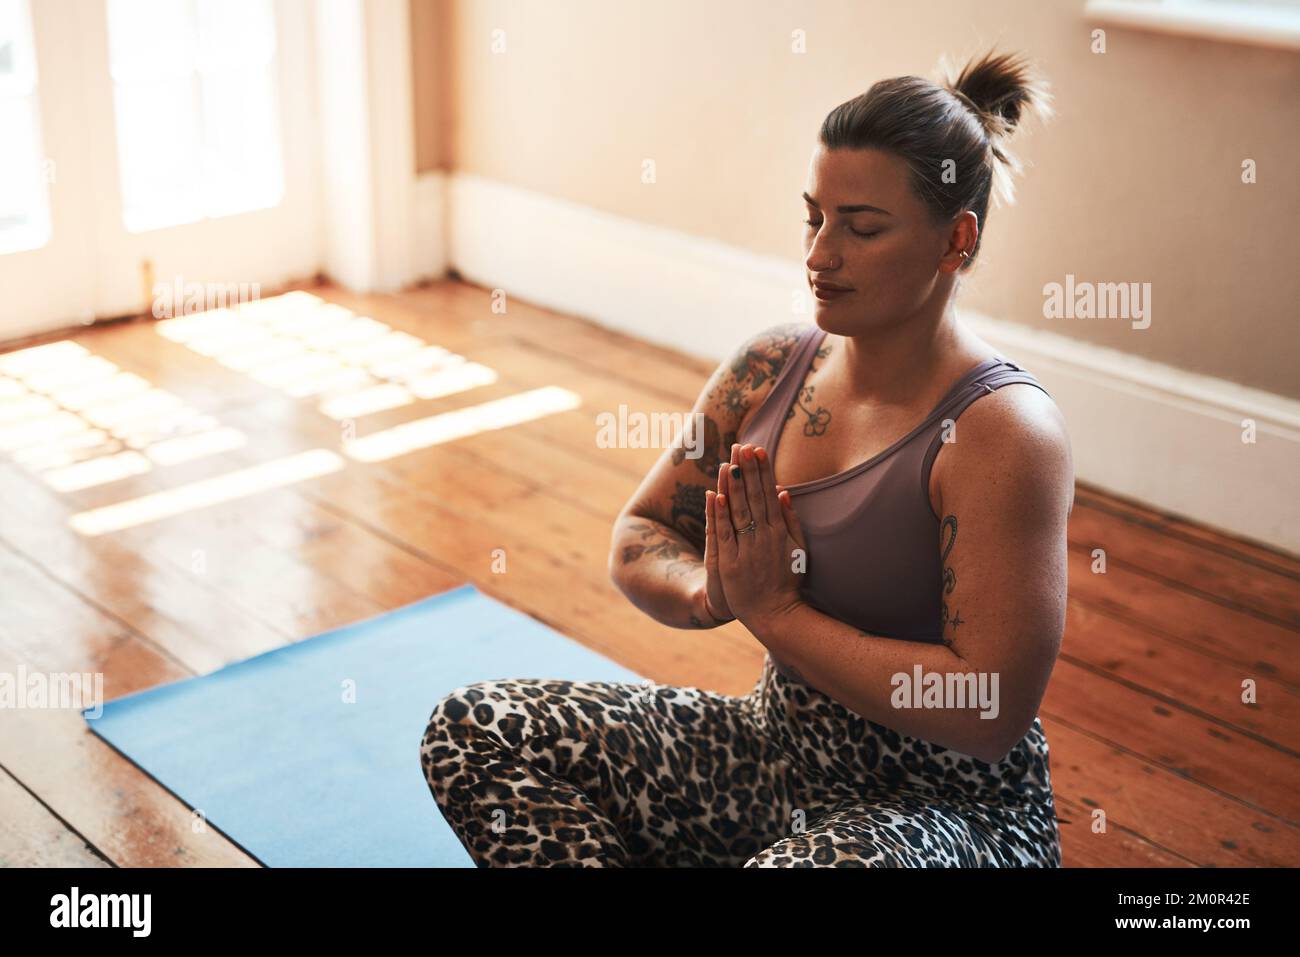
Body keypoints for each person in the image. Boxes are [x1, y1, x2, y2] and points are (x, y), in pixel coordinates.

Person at [421, 47, 1071, 866]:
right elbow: (642, 530)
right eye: (815, 217)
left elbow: (990, 706)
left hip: (947, 807)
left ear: (956, 241)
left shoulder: (1003, 433)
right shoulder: (768, 367)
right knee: (473, 731)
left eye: (862, 227)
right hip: (771, 755)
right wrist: (708, 591)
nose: (819, 253)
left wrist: (780, 615)